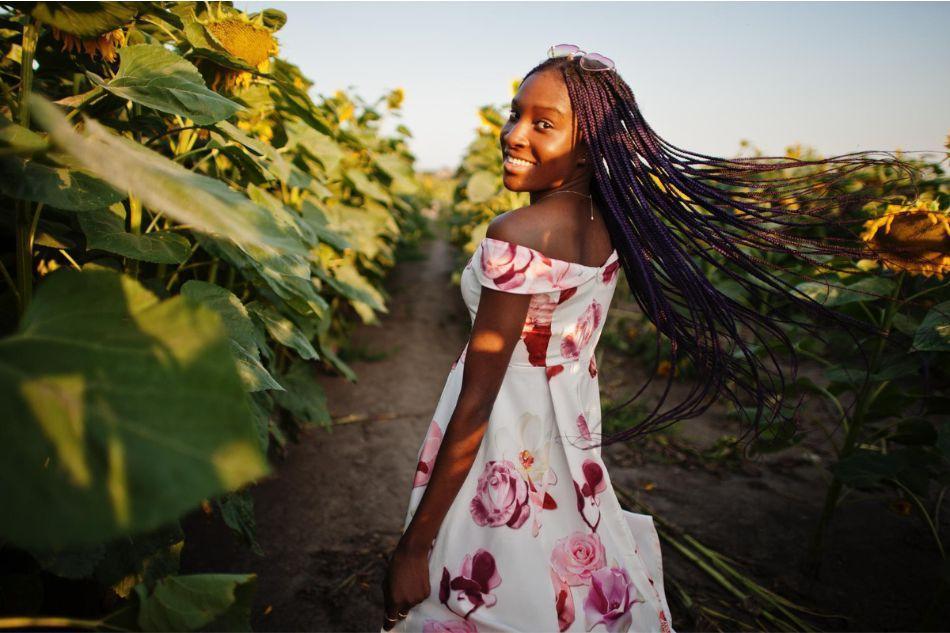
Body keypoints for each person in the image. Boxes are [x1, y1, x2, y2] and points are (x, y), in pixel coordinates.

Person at [381, 44, 921, 632]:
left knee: (478, 581)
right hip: (567, 437)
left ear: (589, 148)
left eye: (543, 124)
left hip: (505, 439)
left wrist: (414, 545)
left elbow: (481, 398)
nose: (513, 134)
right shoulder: (609, 225)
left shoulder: (516, 233)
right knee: (554, 579)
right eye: (515, 114)